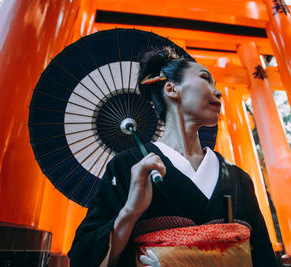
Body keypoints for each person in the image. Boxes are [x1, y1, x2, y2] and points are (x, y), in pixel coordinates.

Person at [68, 47, 278, 267]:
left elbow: (263, 255)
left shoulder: (238, 178)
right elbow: (84, 256)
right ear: (171, 89)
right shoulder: (127, 166)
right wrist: (130, 211)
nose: (218, 92)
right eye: (206, 79)